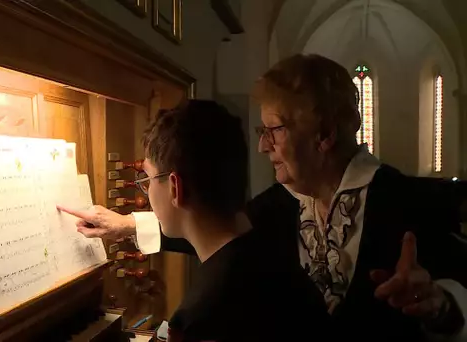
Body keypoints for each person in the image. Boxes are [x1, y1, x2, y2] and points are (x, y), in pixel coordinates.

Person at [60, 54, 467, 341]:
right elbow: (211, 226)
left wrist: (442, 305)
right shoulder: (280, 204)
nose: (263, 147)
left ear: (323, 135)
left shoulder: (410, 201)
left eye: (274, 131)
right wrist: (126, 225)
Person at [63, 100, 332, 341]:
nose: (146, 189)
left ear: (174, 188)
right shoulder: (278, 259)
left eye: (146, 179)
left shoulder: (201, 317)